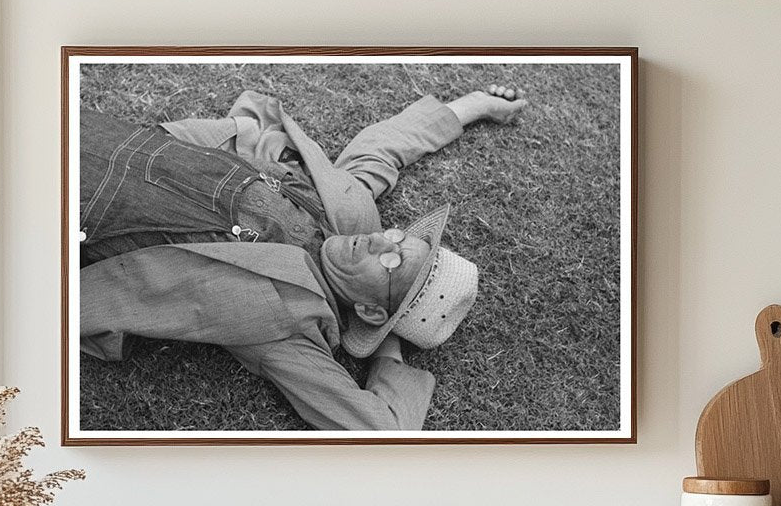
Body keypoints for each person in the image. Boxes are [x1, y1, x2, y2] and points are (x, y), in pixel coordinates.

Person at [79, 82, 526, 431]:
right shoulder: (347, 214)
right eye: (398, 238)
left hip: (83, 208)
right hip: (117, 139)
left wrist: (385, 339)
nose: (379, 242)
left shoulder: (289, 327)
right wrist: (473, 107)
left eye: (392, 263)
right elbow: (384, 149)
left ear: (370, 309)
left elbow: (379, 430)